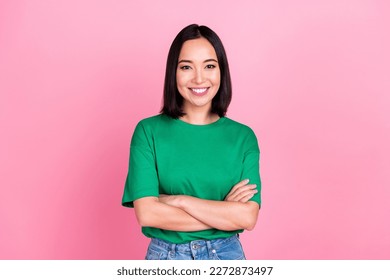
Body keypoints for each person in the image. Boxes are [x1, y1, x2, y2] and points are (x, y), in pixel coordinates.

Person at [122, 24, 261, 260]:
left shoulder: (243, 137)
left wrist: (179, 200)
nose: (199, 78)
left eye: (209, 66)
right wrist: (222, 211)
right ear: (173, 72)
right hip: (166, 257)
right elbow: (148, 214)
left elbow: (247, 218)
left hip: (226, 257)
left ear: (222, 71)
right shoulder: (148, 131)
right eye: (186, 67)